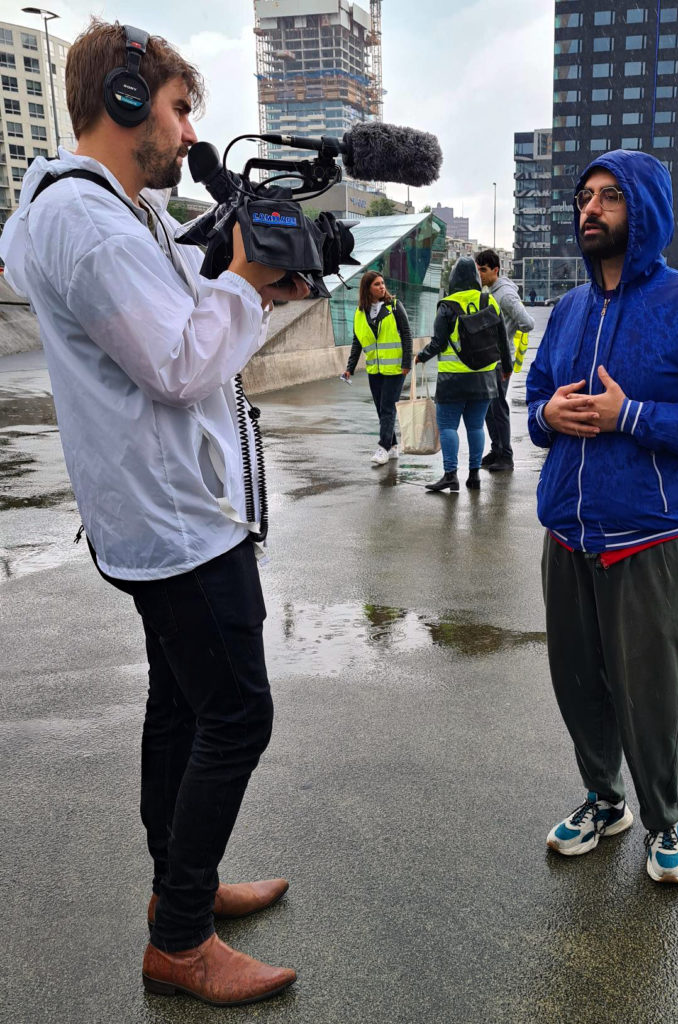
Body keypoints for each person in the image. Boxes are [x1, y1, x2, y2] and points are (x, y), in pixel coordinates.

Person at [0, 20, 305, 1005]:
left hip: (153, 513)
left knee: (179, 703)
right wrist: (252, 285)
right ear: (126, 101)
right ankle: (179, 937)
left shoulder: (94, 209)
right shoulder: (89, 225)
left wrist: (240, 253)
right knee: (237, 712)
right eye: (177, 111)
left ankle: (184, 883)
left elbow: (177, 285)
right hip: (177, 520)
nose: (185, 135)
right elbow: (179, 363)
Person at [526, 151, 678, 883]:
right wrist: (545, 413)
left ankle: (665, 820)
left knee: (648, 693)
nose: (591, 210)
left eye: (610, 198)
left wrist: (634, 415)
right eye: (585, 197)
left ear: (646, 211)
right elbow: (533, 396)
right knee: (578, 685)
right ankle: (604, 799)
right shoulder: (566, 309)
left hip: (648, 540)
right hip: (566, 533)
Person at [416, 256, 512, 492]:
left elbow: (438, 343)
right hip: (485, 378)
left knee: (448, 426)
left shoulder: (447, 305)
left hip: (453, 379)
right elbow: (502, 339)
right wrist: (507, 368)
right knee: (476, 427)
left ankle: (450, 475)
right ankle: (474, 476)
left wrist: (421, 356)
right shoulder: (488, 300)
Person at [341, 270, 412, 464]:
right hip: (375, 369)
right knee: (381, 409)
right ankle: (394, 446)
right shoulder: (360, 312)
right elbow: (357, 342)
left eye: (382, 283)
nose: (382, 287)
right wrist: (350, 368)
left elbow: (406, 334)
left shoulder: (395, 306)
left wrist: (406, 363)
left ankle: (383, 448)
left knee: (388, 408)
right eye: (377, 284)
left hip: (396, 368)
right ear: (367, 289)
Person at [475, 249, 535, 472]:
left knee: (498, 407)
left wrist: (508, 332)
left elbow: (528, 323)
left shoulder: (506, 295)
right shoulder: (490, 291)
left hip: (500, 361)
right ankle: (496, 450)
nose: (480, 274)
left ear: (495, 270)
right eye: (478, 269)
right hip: (489, 360)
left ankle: (506, 456)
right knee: (490, 407)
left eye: (483, 270)